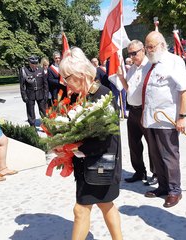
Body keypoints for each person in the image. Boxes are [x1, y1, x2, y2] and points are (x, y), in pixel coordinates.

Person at [59, 47, 123, 240]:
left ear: (80, 74)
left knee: (81, 210)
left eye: (67, 77)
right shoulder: (80, 97)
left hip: (101, 164)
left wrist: (76, 148)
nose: (65, 82)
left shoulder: (102, 95)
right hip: (87, 164)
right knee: (105, 205)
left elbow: (104, 138)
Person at [142, 31, 186, 208]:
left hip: (167, 119)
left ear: (162, 45)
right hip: (150, 119)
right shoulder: (150, 64)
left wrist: (182, 117)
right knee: (155, 155)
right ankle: (162, 186)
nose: (148, 50)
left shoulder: (174, 61)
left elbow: (184, 90)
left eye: (151, 46)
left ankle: (174, 190)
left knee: (169, 155)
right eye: (146, 47)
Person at [117, 40, 158, 186]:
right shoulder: (132, 68)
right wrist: (122, 78)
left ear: (143, 50)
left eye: (134, 53)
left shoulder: (150, 67)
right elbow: (129, 89)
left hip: (145, 110)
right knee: (133, 143)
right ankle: (139, 171)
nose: (132, 56)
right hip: (133, 110)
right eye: (130, 53)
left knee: (151, 143)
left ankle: (156, 173)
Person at [19, 55, 48, 126]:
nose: (34, 65)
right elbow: (22, 85)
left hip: (40, 93)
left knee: (43, 111)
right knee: (30, 112)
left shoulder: (41, 70)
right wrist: (24, 96)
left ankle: (46, 125)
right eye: (33, 63)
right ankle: (32, 126)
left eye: (36, 63)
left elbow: (45, 83)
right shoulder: (24, 70)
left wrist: (46, 94)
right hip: (30, 94)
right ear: (29, 63)